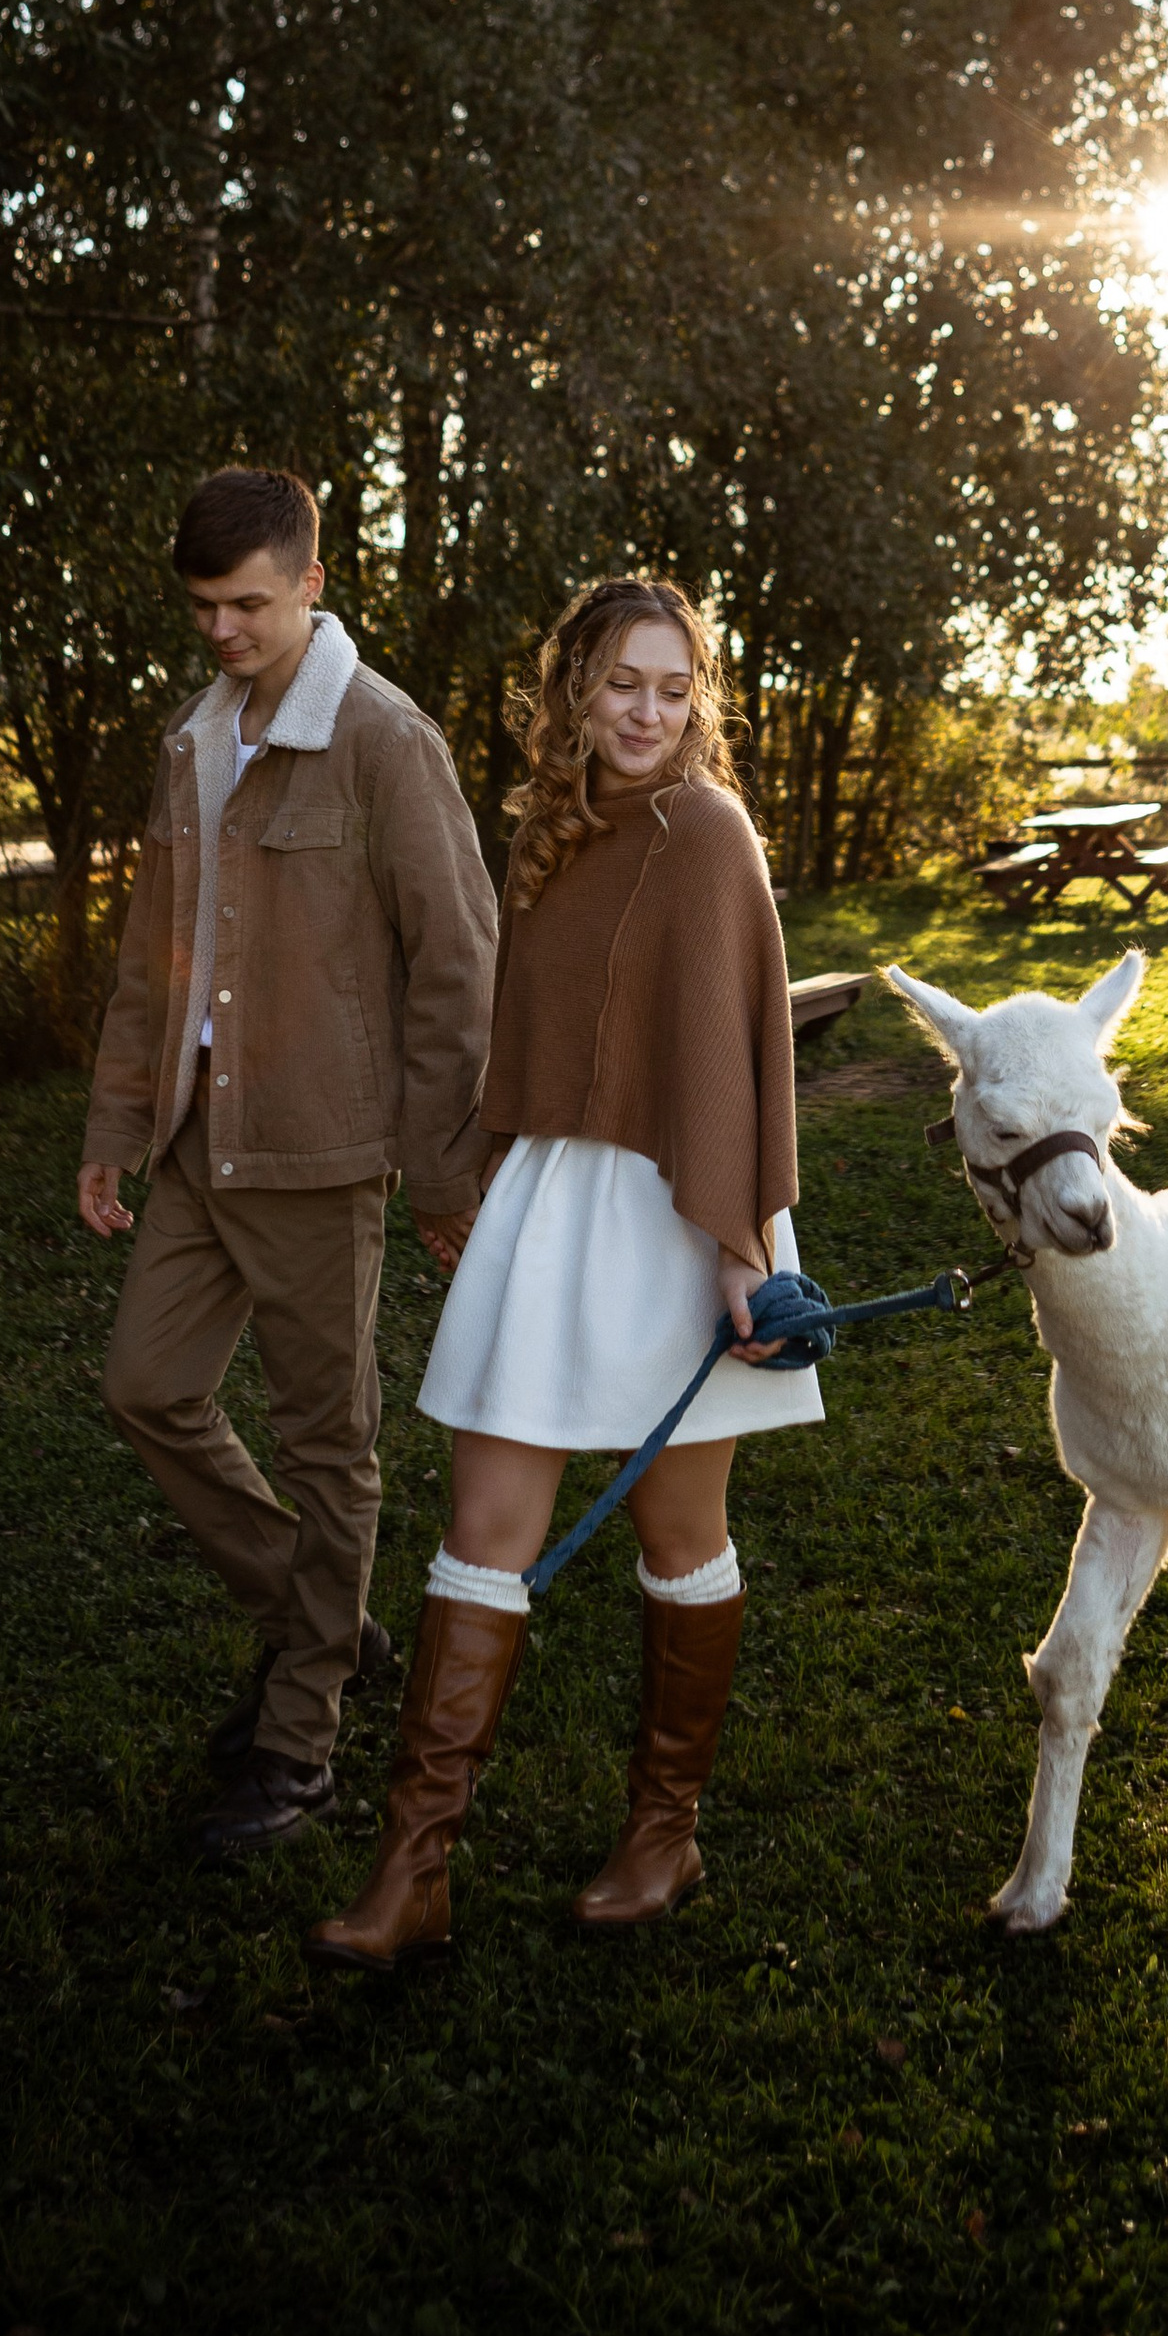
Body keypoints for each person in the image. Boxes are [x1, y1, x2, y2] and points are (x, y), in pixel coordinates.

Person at [307, 573, 815, 1971]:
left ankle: (666, 1829)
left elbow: (731, 1056)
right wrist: (478, 1179)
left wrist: (740, 1255)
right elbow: (521, 1030)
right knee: (485, 1521)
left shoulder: (711, 834)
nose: (648, 712)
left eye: (673, 688)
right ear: (575, 693)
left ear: (694, 700)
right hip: (556, 1202)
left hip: (679, 1214)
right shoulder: (551, 829)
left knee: (677, 1535)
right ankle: (414, 1871)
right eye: (622, 685)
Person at [79, 466, 497, 1865]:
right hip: (200, 1145)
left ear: (312, 582)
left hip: (325, 1159)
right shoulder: (193, 742)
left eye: (247, 603)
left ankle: (301, 1742)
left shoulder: (386, 740)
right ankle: (326, 1622)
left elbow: (459, 968)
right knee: (148, 1388)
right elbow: (154, 964)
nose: (222, 632)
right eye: (203, 607)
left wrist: (441, 1175)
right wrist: (116, 1130)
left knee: (333, 1451)